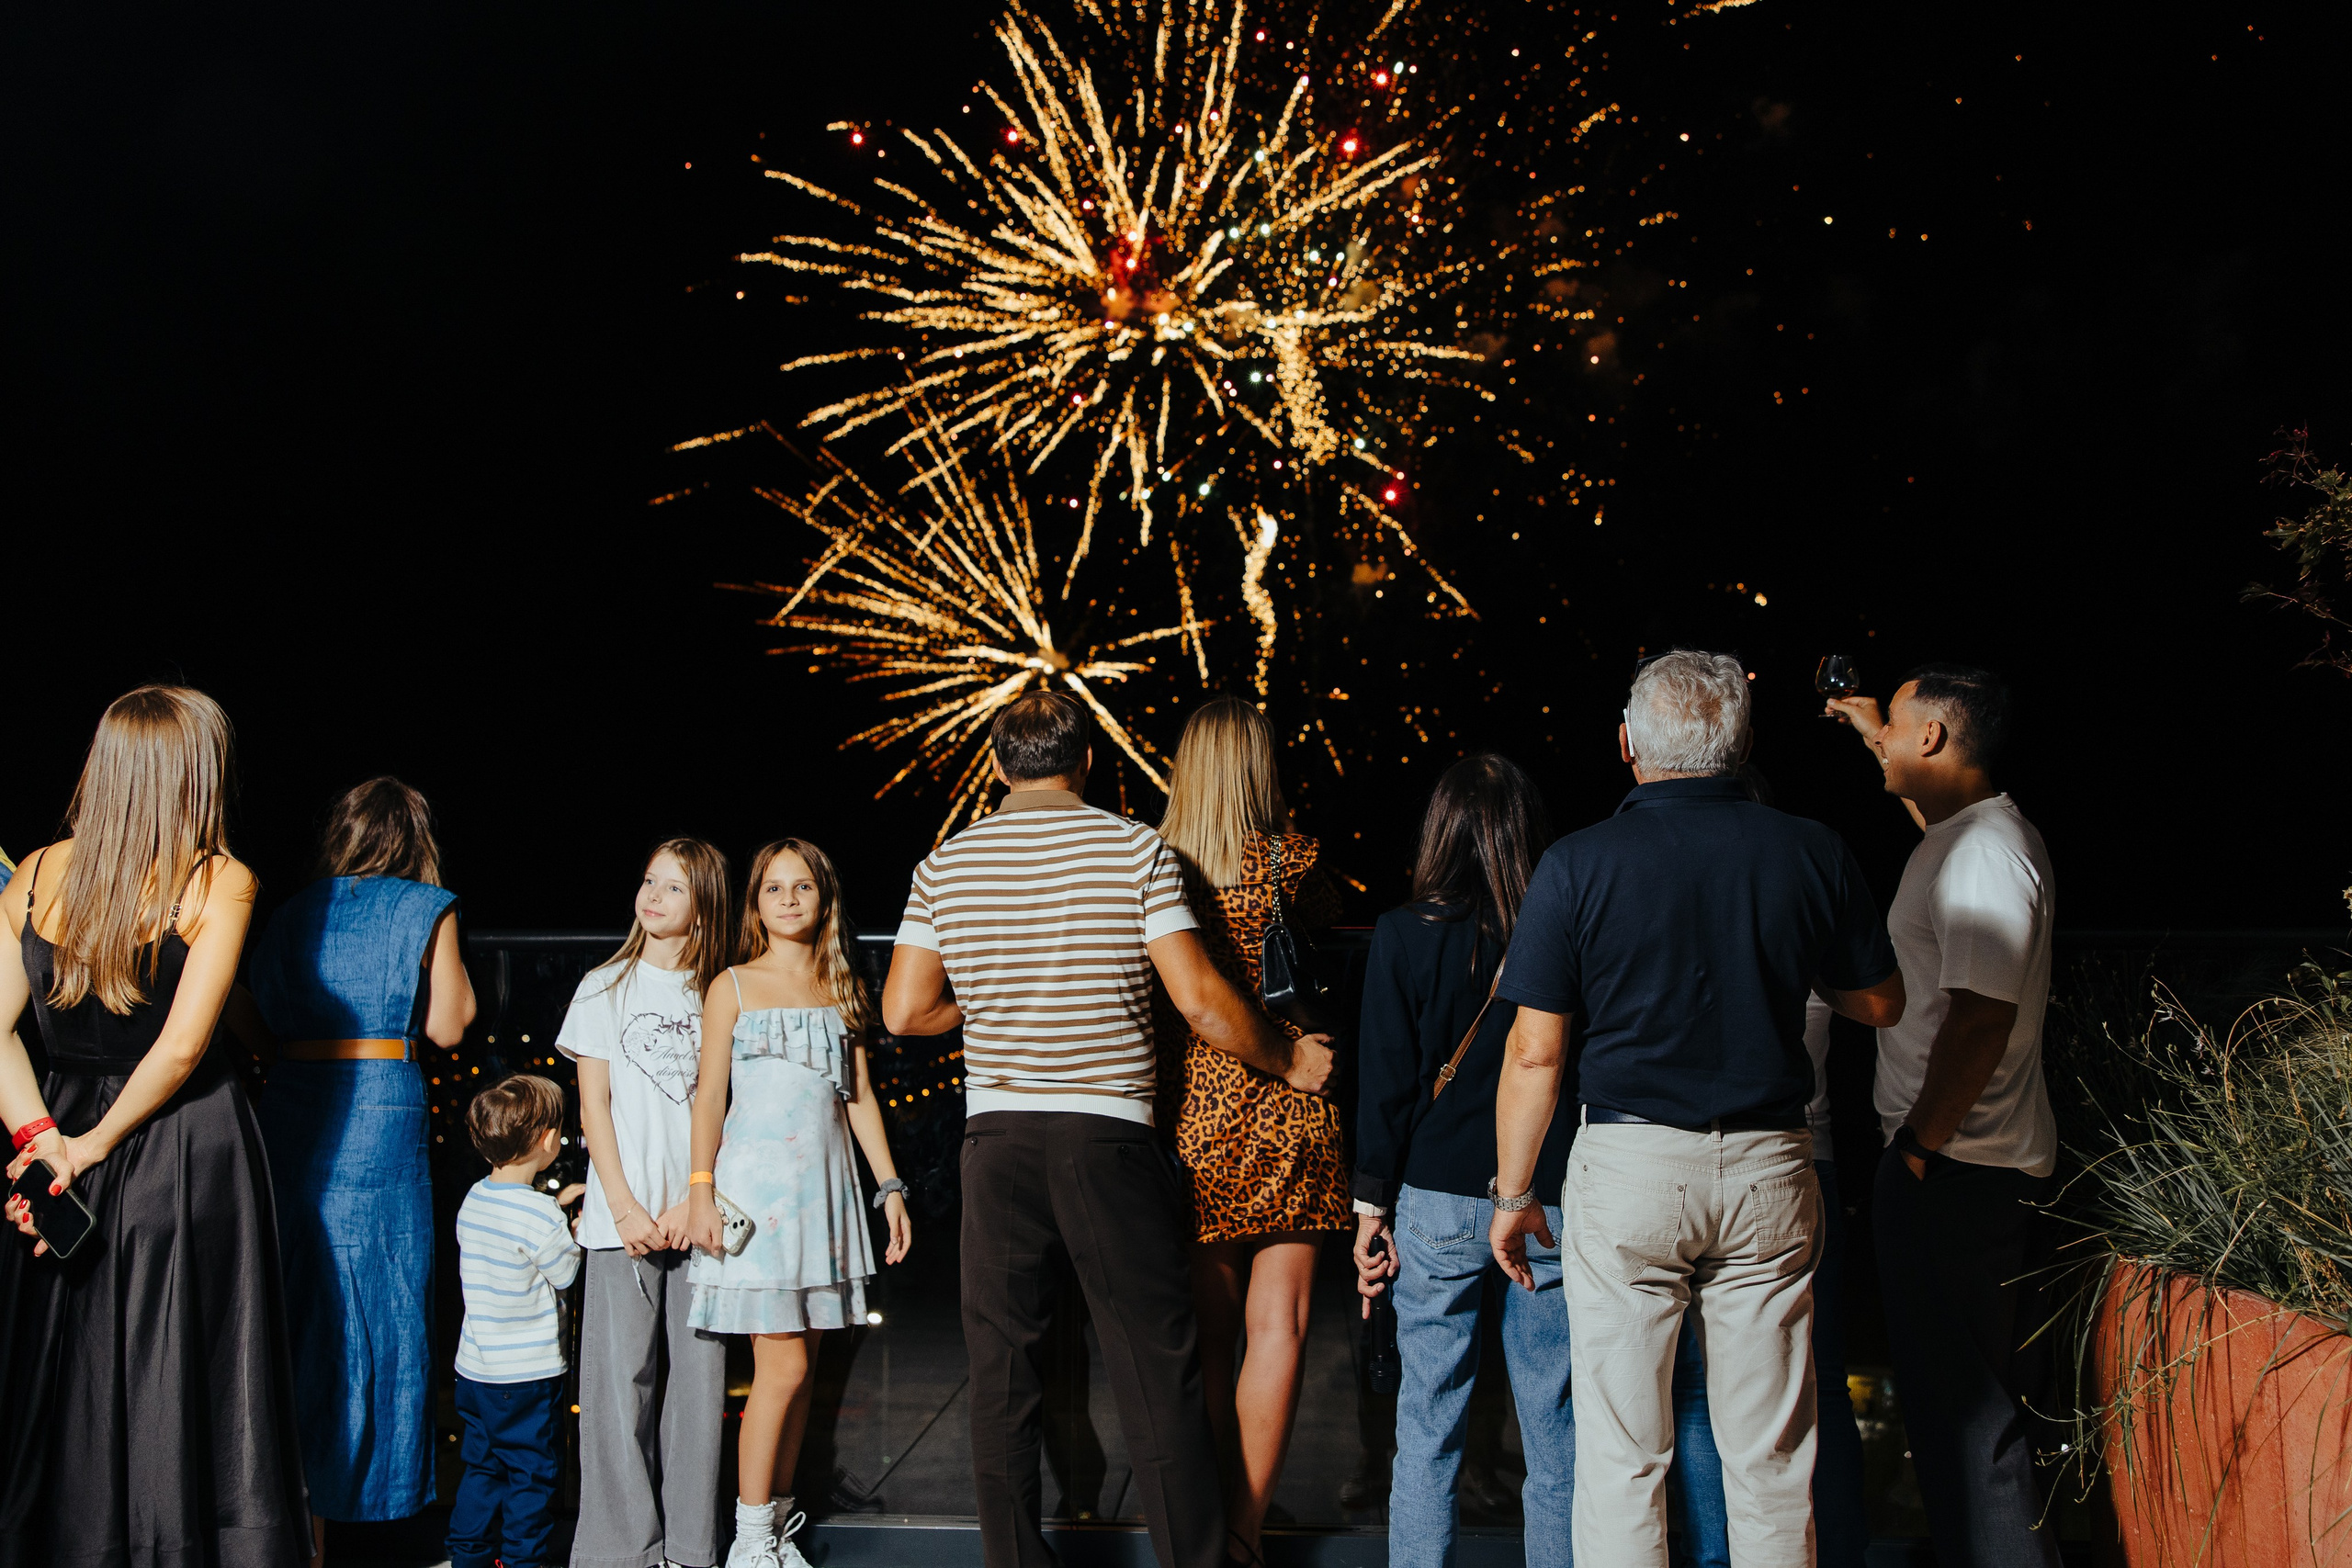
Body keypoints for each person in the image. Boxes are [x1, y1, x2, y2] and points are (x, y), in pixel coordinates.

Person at [881, 690, 1336, 1568]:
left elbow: (905, 1008)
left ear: (997, 765)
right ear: (1087, 760)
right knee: (1155, 1368)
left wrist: (995, 1003)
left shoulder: (947, 863)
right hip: (1108, 1134)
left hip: (997, 1137)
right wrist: (1285, 1057)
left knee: (1003, 1370)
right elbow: (1200, 1000)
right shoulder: (1136, 849)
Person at [1487, 650, 1905, 1568]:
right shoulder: (1809, 848)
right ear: (1740, 742)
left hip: (1630, 1169)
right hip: (1769, 1169)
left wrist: (1513, 1192)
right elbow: (1881, 1003)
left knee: (1623, 1456)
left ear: (1628, 744)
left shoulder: (1577, 863)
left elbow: (1535, 1050)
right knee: (1769, 1458)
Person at [0, 684, 311, 1567]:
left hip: (64, 1128)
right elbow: (181, 1049)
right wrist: (90, 1148)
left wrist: (44, 1146)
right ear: (194, 771)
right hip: (186, 1144)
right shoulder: (220, 879)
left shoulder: (34, 872)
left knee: (74, 1367)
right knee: (185, 1365)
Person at [1827, 665, 2060, 1568]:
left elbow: (1979, 1016)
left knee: (1973, 1432)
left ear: (1931, 737)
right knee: (1952, 1421)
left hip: (1959, 1174)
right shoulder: (1964, 837)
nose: (1883, 735)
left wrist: (1917, 1147)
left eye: (1894, 723)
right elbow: (1934, 834)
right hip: (1959, 1170)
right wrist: (1864, 733)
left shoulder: (1985, 855)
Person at [1350, 753, 1579, 1568]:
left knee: (1427, 1428)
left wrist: (1370, 1209)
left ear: (1439, 831)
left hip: (1436, 1197)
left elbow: (1385, 1082)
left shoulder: (1404, 933)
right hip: (1545, 1198)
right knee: (1556, 1435)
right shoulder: (1559, 928)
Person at [246, 776, 479, 1562]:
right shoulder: (427, 906)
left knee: (294, 1305)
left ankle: (292, 1514)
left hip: (292, 1104)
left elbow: (251, 1013)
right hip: (379, 1107)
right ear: (415, 838)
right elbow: (451, 1025)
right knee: (379, 1306)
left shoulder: (289, 911)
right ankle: (366, 1515)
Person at [1152, 695, 1349, 1557]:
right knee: (1282, 1327)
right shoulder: (1295, 861)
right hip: (1291, 1106)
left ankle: (1199, 1529)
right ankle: (1244, 1531)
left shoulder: (1152, 866)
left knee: (1207, 1335)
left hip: (1193, 1113)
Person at [684, 839, 912, 1568]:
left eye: (802, 885)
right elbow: (709, 1098)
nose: (788, 898)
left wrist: (890, 1187)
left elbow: (861, 1099)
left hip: (824, 1201)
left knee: (802, 1373)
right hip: (757, 1203)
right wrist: (698, 1190)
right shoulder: (732, 985)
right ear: (754, 902)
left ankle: (774, 1533)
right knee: (778, 1370)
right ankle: (748, 1544)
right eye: (773, 887)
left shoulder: (840, 986)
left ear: (825, 898)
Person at [560, 839, 733, 1568]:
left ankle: (693, 1547)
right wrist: (627, 1208)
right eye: (648, 880)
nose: (653, 895)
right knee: (615, 1390)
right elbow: (592, 1106)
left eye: (674, 886)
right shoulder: (604, 985)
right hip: (618, 1221)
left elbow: (728, 1107)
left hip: (700, 1216)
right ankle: (619, 1550)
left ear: (703, 907)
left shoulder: (719, 992)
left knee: (700, 1389)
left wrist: (696, 1201)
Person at [449, 1074, 585, 1568]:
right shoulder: (539, 1216)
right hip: (526, 1378)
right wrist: (571, 1228)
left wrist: (551, 1211)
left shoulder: (474, 1199)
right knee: (532, 1476)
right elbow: (565, 1270)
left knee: (482, 1469)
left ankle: (468, 1557)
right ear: (548, 1140)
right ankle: (523, 1561)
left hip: (476, 1372)